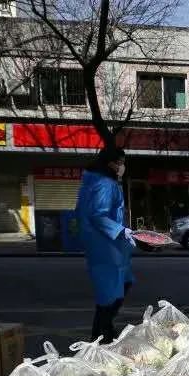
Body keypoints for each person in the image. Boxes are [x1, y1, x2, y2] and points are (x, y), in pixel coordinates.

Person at [75, 146, 135, 343]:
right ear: (111, 163)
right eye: (121, 162)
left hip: (101, 245)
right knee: (113, 294)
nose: (122, 166)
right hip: (107, 247)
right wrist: (121, 231)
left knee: (111, 292)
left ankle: (104, 333)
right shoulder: (105, 184)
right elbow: (98, 215)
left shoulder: (92, 181)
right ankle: (100, 337)